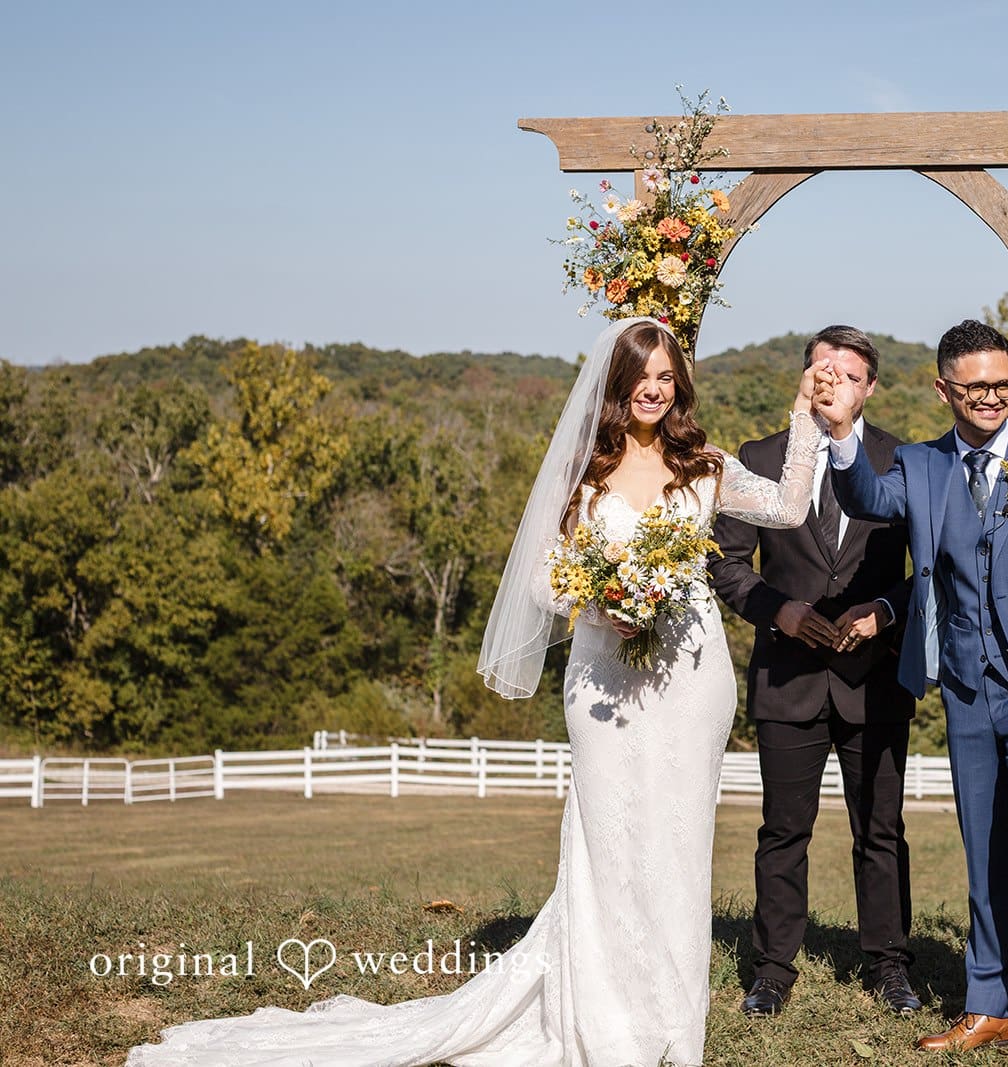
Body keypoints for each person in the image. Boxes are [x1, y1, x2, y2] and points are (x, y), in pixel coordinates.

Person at [127, 317, 836, 1067]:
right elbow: (539, 578)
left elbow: (789, 509)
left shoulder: (708, 466)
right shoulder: (584, 474)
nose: (654, 389)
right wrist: (603, 606)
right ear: (615, 386)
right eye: (640, 377)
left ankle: (667, 1019)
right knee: (609, 839)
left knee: (681, 843)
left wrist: (802, 412)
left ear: (680, 383)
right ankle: (603, 1018)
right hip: (603, 679)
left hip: (693, 680)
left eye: (666, 376)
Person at [814, 319, 1008, 1066]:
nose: (993, 397)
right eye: (977, 385)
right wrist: (842, 430)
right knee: (984, 850)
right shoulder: (919, 464)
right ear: (944, 387)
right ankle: (990, 1005)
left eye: (1004, 383)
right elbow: (864, 495)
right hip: (967, 692)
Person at [707, 325, 918, 1018]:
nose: (836, 384)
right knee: (782, 831)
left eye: (851, 374)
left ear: (870, 388)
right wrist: (780, 611)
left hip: (875, 676)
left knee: (881, 831)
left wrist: (886, 612)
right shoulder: (758, 457)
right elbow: (728, 565)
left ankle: (890, 966)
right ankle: (771, 970)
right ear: (805, 377)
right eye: (824, 370)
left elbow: (927, 574)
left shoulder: (903, 461)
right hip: (788, 675)